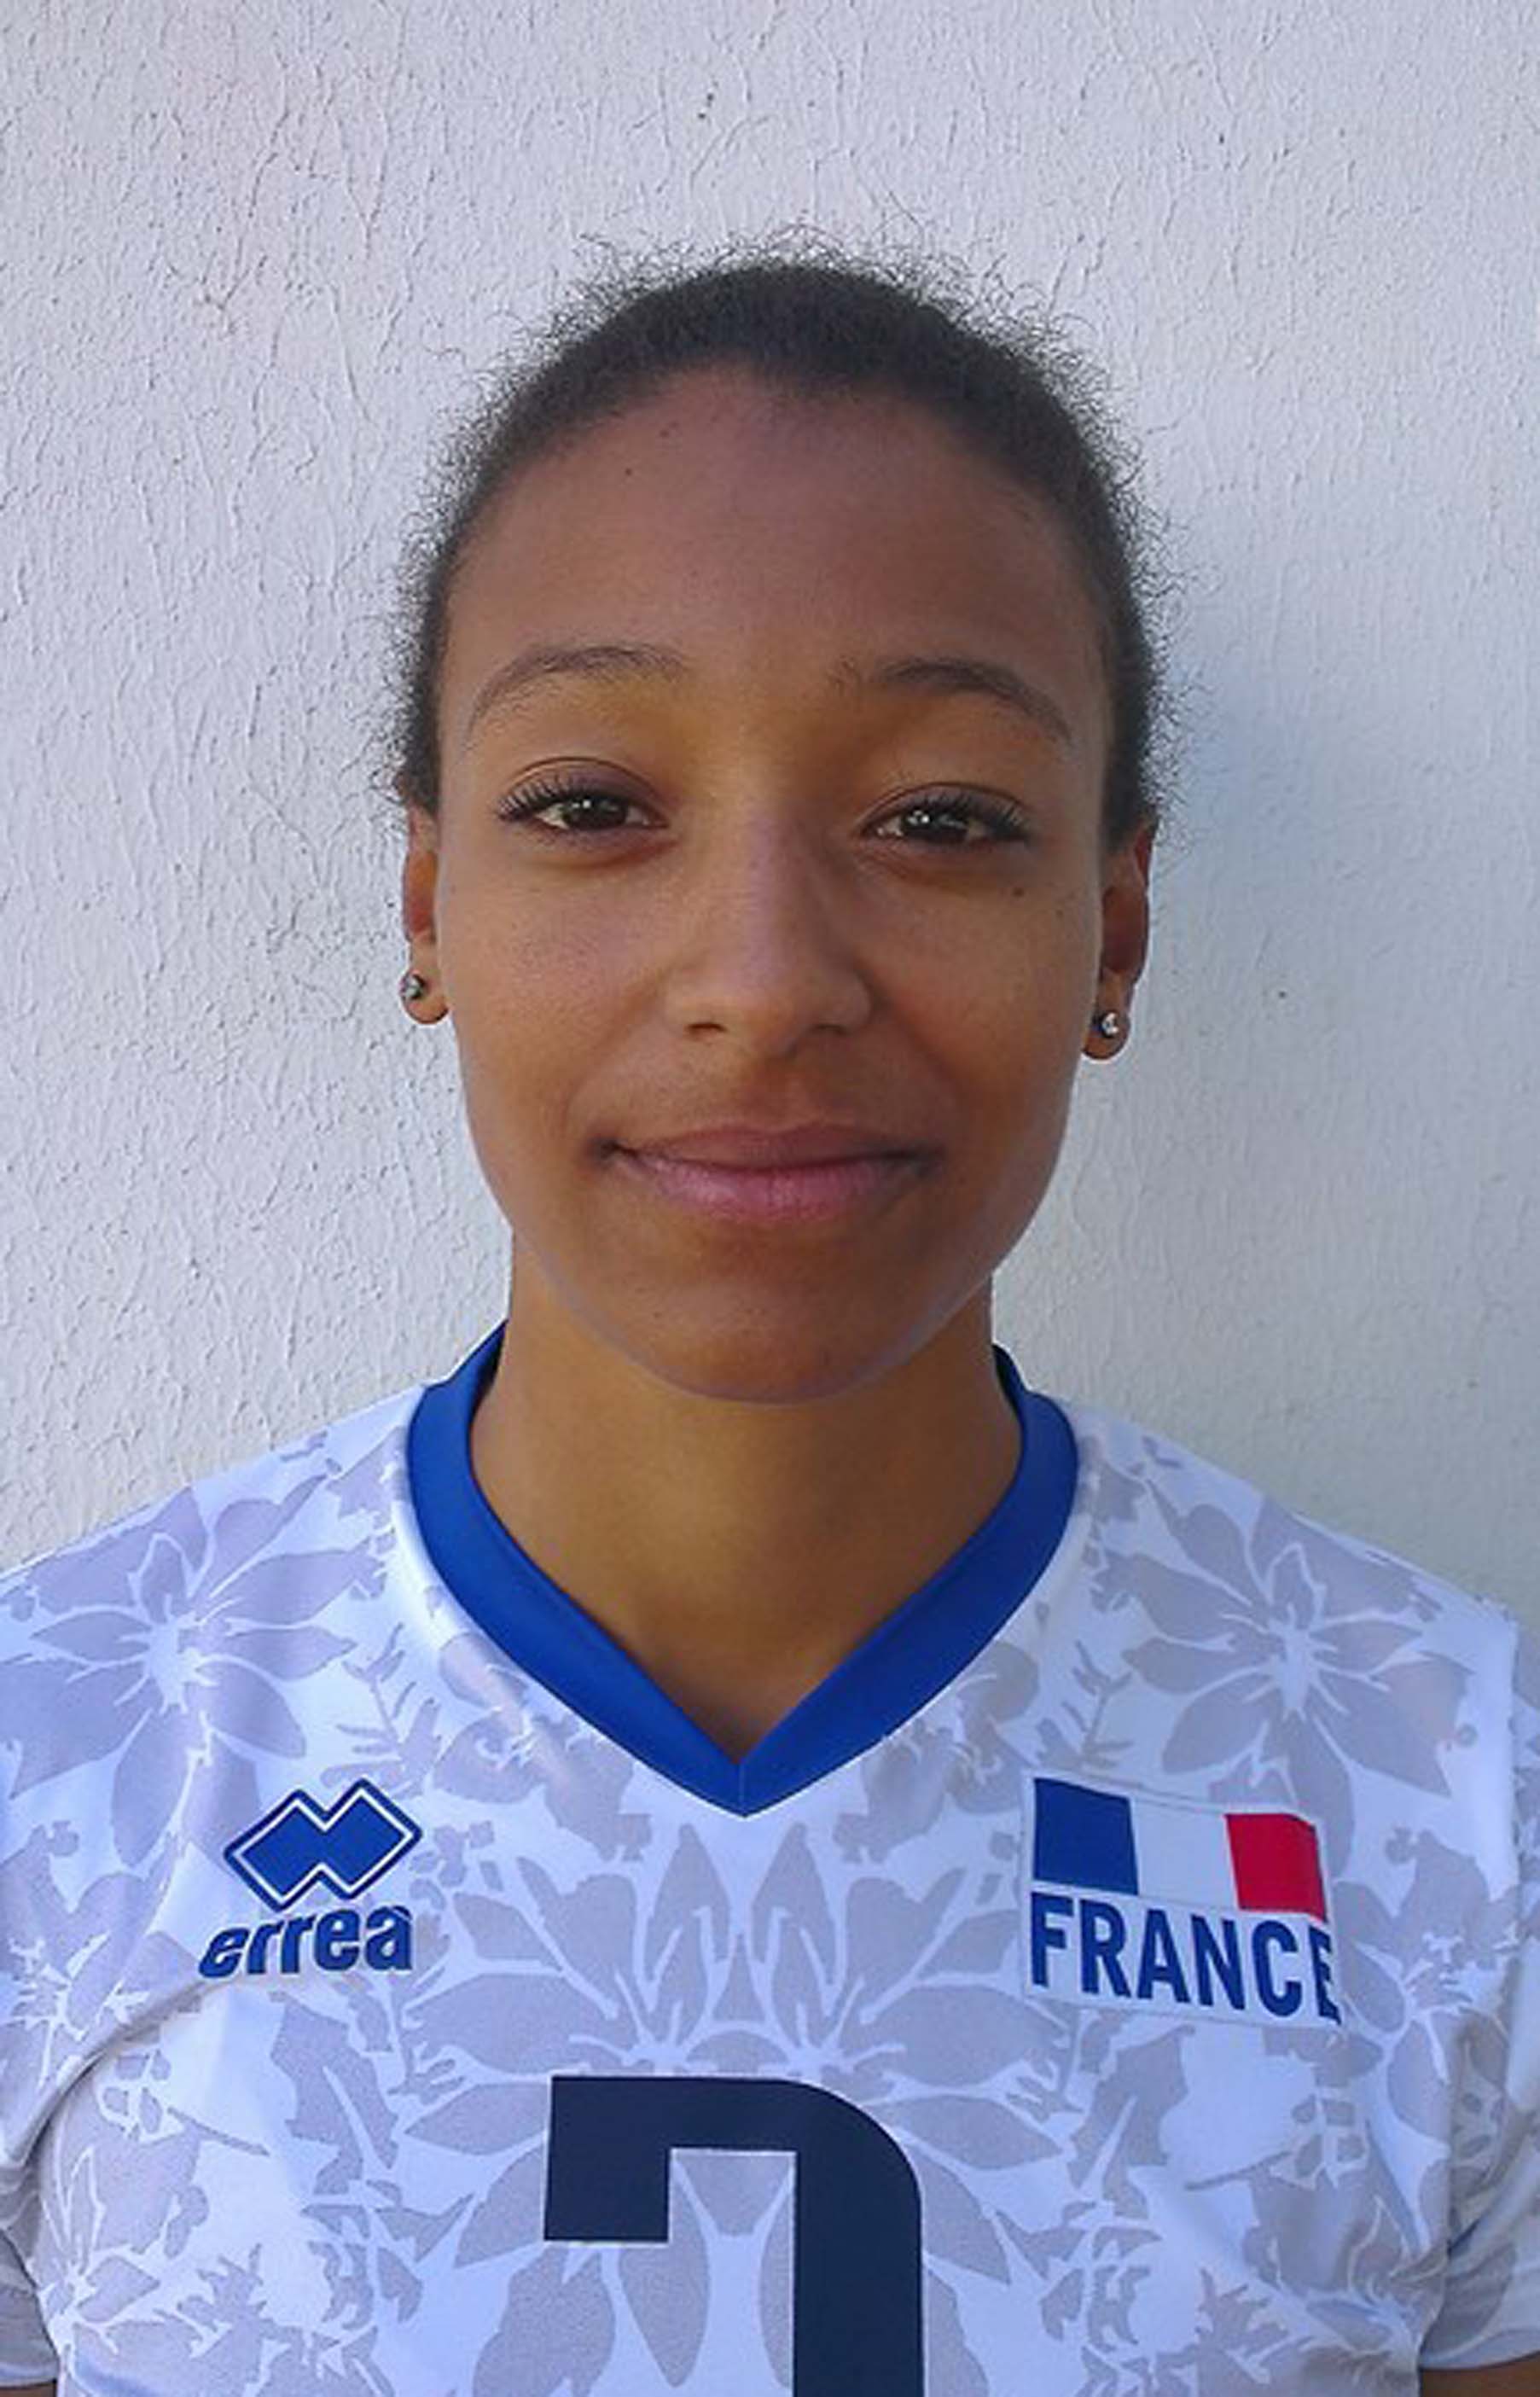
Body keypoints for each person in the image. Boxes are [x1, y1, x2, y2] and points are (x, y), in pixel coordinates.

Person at [1, 230, 1535, 2397]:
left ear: (1114, 926)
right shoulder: (62, 1760)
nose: (763, 978)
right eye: (592, 806)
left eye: (940, 818)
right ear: (431, 899)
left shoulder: (1458, 1799)